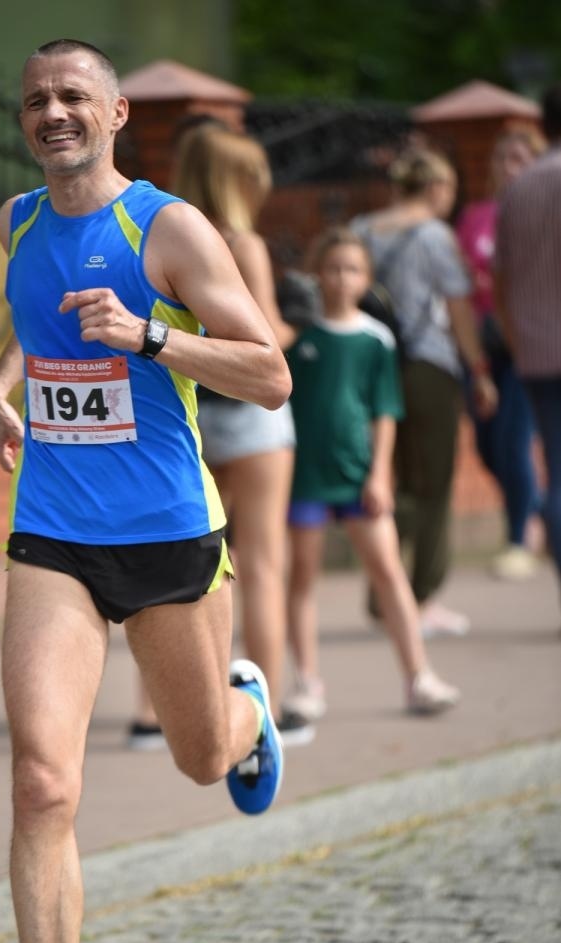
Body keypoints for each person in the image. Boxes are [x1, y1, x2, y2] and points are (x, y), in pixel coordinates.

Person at [0, 39, 293, 943]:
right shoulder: (17, 221)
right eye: (36, 101)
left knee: (202, 758)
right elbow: (39, 316)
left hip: (168, 537)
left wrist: (152, 334)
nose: (52, 113)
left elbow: (270, 366)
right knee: (41, 782)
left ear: (116, 114)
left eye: (73, 97)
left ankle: (250, 715)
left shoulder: (167, 228)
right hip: (54, 533)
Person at [167, 121, 311, 746]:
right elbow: (267, 340)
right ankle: (266, 709)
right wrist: (305, 328)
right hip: (252, 417)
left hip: (192, 409)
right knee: (263, 565)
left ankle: (159, 713)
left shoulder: (160, 239)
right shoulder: (241, 245)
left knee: (185, 564)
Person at [284, 228, 460, 721]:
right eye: (333, 268)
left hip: (359, 476)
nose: (342, 278)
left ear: (367, 277)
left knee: (388, 573)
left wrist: (379, 475)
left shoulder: (377, 340)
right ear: (318, 273)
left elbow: (385, 411)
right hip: (305, 478)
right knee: (301, 579)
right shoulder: (298, 338)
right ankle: (307, 685)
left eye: (353, 269)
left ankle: (418, 677)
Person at [351, 149, 497, 639]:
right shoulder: (436, 236)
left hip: (371, 368)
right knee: (432, 486)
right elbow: (458, 311)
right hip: (427, 368)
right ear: (436, 188)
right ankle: (421, 598)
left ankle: (382, 596)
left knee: (388, 482)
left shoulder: (362, 229)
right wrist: (479, 370)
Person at [456, 127, 546, 580]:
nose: (511, 167)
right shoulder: (475, 216)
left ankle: (519, 539)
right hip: (482, 343)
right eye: (503, 158)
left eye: (521, 158)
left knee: (513, 442)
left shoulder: (541, 209)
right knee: (489, 446)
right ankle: (545, 513)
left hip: (526, 343)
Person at [496, 83, 561, 610]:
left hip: (537, 353)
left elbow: (501, 281)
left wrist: (519, 343)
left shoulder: (517, 190)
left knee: (556, 471)